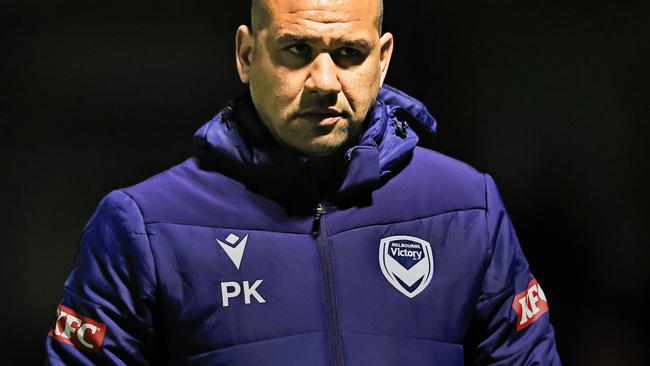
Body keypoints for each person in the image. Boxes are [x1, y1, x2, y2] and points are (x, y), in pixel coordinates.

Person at [46, 0, 561, 364]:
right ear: (246, 55)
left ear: (382, 60)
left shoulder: (468, 207)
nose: (324, 81)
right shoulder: (145, 224)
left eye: (349, 54)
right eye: (296, 49)